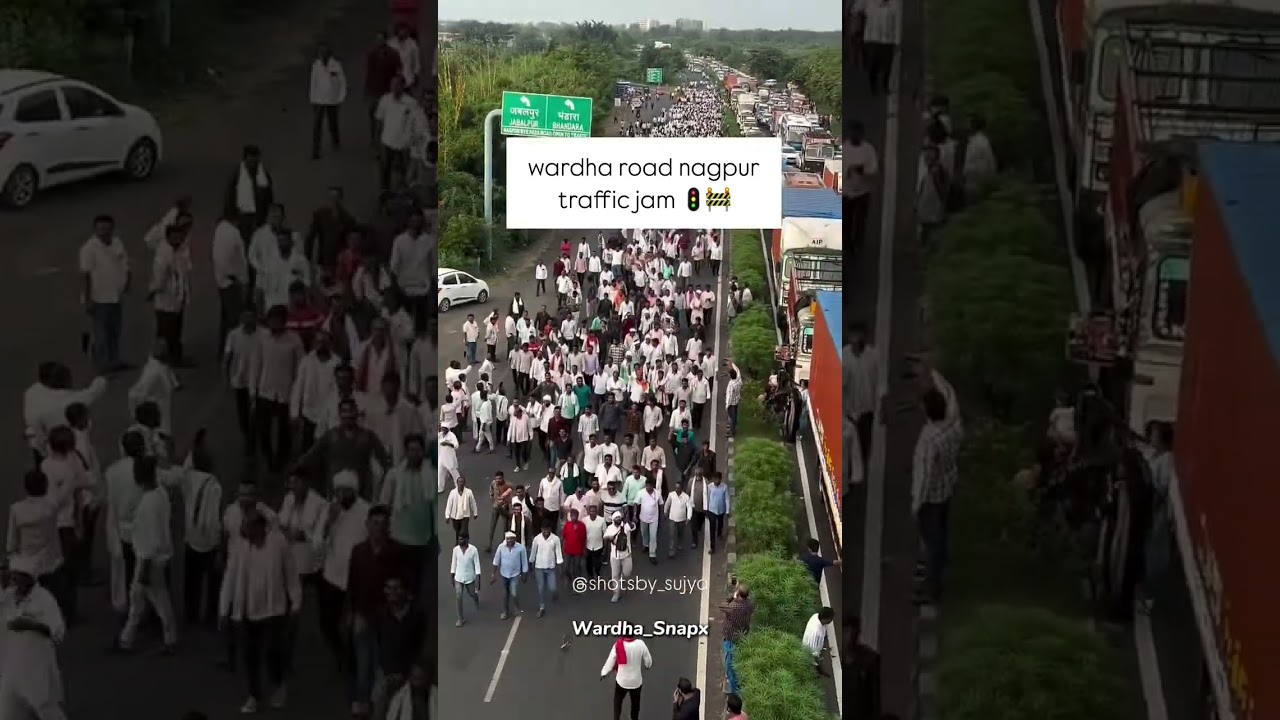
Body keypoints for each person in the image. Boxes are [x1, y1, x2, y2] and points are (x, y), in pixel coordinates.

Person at [218, 512, 302, 713]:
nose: (245, 530)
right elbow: (230, 577)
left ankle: (278, 684)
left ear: (261, 526)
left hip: (273, 611)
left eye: (249, 525)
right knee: (249, 656)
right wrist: (223, 609)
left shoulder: (278, 543)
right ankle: (254, 695)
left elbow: (290, 573)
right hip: (245, 612)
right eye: (244, 525)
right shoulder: (239, 546)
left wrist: (296, 601)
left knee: (273, 653)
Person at [117, 457, 178, 654]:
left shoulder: (149, 502)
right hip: (158, 557)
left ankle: (129, 640)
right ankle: (128, 639)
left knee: (145, 600)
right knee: (149, 600)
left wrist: (143, 567)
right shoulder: (160, 494)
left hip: (149, 560)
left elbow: (150, 539)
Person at [910, 389, 962, 604]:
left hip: (930, 498)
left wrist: (916, 503)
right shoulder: (952, 429)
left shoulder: (929, 438)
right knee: (939, 538)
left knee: (931, 542)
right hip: (945, 490)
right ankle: (936, 575)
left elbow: (924, 474)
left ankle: (931, 589)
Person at [0, 556, 68, 720]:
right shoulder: (8, 597)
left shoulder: (44, 598)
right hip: (12, 669)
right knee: (7, 714)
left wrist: (31, 625)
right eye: (13, 575)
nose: (15, 580)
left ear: (30, 578)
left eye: (20, 576)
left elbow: (58, 632)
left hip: (36, 667)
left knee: (48, 710)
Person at [316, 471, 369, 670]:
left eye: (346, 491)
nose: (342, 496)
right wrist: (329, 522)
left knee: (354, 625)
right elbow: (317, 545)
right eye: (339, 491)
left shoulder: (365, 511)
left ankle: (352, 662)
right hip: (332, 576)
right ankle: (340, 653)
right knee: (326, 622)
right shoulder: (329, 510)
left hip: (356, 579)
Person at [79, 214, 131, 373]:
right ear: (95, 229)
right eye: (101, 229)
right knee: (101, 334)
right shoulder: (89, 249)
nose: (105, 232)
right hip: (99, 299)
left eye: (108, 229)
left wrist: (128, 282)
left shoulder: (117, 243)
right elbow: (85, 275)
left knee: (114, 331)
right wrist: (88, 300)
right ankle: (102, 365)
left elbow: (125, 264)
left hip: (115, 296)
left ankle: (114, 361)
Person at [308, 42, 347, 159]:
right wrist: (312, 98)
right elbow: (313, 83)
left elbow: (342, 82)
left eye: (325, 52)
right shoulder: (316, 65)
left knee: (333, 122)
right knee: (317, 125)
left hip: (332, 99)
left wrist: (341, 97)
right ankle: (315, 149)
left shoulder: (336, 65)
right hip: (319, 99)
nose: (322, 55)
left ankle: (336, 141)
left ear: (329, 54)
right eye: (320, 52)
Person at [600, 635, 652, 720]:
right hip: (636, 681)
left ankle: (616, 718)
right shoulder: (640, 644)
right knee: (635, 703)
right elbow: (648, 659)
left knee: (618, 701)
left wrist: (604, 672)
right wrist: (647, 665)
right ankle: (634, 718)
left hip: (622, 681)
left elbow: (611, 660)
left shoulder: (618, 644)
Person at [718, 582, 755, 696]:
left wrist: (731, 597)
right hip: (742, 634)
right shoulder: (749, 604)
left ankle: (735, 693)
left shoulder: (733, 607)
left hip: (731, 638)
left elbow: (721, 605)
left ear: (738, 594)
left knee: (730, 666)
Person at [490, 530, 528, 620]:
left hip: (515, 574)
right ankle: (505, 611)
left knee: (514, 593)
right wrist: (493, 574)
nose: (510, 540)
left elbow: (524, 562)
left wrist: (524, 574)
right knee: (505, 594)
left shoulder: (521, 548)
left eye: (511, 539)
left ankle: (516, 608)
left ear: (515, 539)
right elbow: (496, 561)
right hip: (504, 574)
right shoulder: (501, 547)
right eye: (508, 539)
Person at [529, 521, 563, 616]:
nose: (546, 531)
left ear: (550, 529)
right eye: (544, 530)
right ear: (541, 529)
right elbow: (533, 553)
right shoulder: (537, 539)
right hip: (539, 567)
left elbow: (558, 553)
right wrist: (531, 566)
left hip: (550, 568)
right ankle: (542, 607)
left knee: (553, 588)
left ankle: (555, 594)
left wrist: (560, 568)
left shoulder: (555, 539)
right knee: (541, 588)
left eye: (548, 529)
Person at [450, 533, 481, 626]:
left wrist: (478, 580)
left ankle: (476, 599)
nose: (460, 541)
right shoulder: (456, 550)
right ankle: (460, 618)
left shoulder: (473, 550)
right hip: (458, 577)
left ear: (467, 539)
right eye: (459, 539)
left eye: (462, 539)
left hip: (469, 578)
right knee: (458, 596)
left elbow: (477, 565)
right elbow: (453, 563)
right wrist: (452, 576)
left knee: (472, 594)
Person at [604, 511, 634, 603]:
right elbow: (605, 537)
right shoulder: (610, 528)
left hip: (626, 555)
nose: (618, 519)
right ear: (613, 519)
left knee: (627, 574)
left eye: (619, 517)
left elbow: (633, 527)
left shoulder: (626, 526)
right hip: (615, 556)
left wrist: (627, 520)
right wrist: (610, 538)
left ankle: (622, 580)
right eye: (616, 518)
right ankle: (616, 593)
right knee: (615, 575)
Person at [802, 606, 836, 673]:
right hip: (809, 650)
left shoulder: (815, 616)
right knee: (815, 663)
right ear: (826, 619)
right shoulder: (816, 632)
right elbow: (813, 650)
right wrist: (818, 658)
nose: (832, 620)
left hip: (811, 642)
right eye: (831, 618)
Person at [444, 475, 478, 540]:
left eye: (462, 482)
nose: (461, 483)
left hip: (465, 516)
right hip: (455, 516)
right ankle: (462, 541)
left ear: (464, 483)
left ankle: (460, 543)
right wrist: (447, 516)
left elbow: (472, 503)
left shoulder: (468, 492)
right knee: (458, 531)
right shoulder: (453, 492)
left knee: (463, 531)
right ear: (457, 483)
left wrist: (475, 512)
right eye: (459, 482)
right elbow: (449, 504)